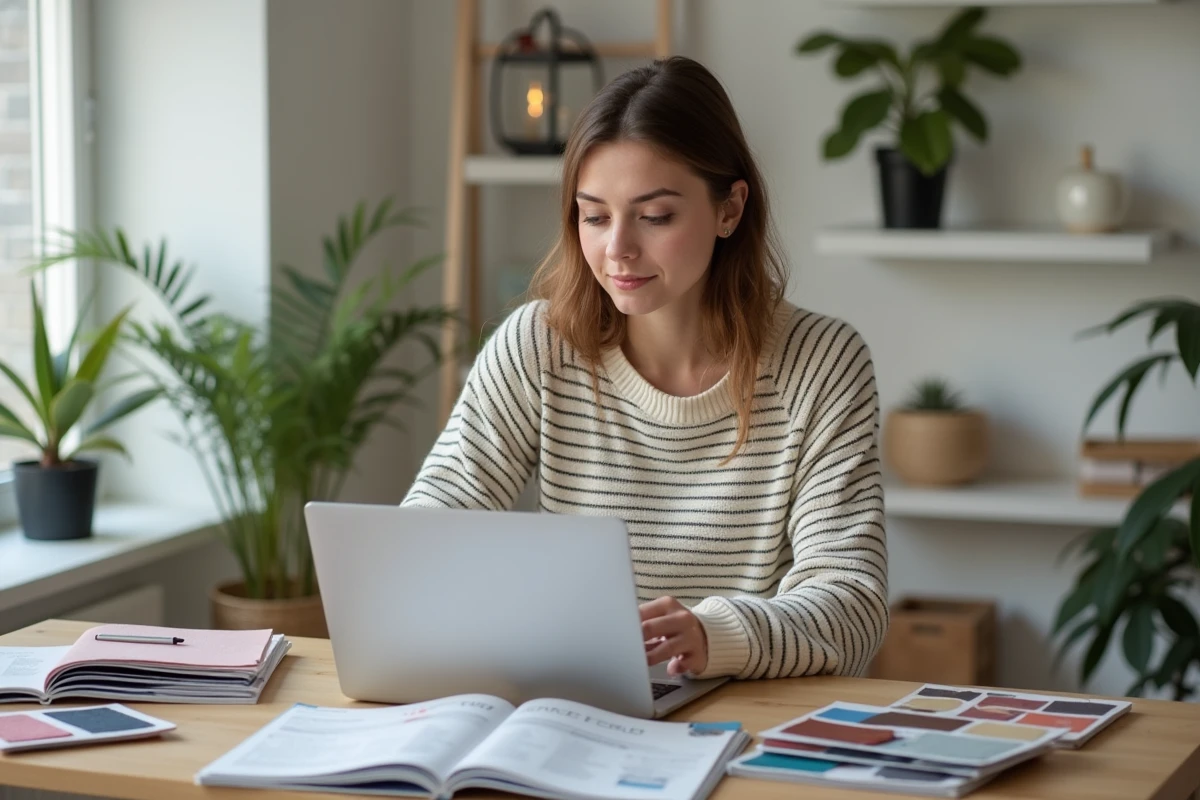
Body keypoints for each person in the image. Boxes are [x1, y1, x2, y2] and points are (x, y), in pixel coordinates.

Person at [403, 56, 887, 682]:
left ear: (729, 209)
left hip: (748, 707)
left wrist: (712, 635)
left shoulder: (822, 363)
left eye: (655, 217)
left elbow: (851, 605)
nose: (618, 249)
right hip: (576, 697)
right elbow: (431, 527)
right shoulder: (538, 347)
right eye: (594, 216)